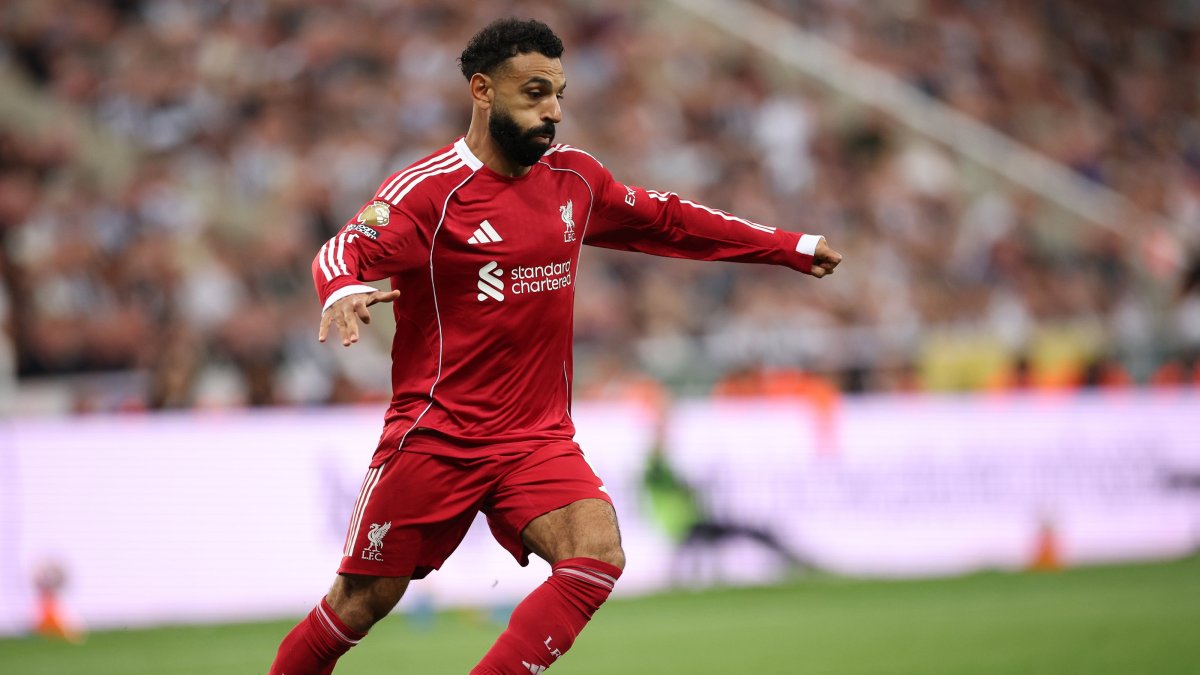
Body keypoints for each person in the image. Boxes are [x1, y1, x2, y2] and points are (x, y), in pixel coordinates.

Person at [268, 18, 842, 675]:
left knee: (597, 551)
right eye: (534, 92)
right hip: (437, 436)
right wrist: (339, 287)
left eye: (559, 93)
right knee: (360, 602)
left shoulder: (575, 179)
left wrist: (788, 247)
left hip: (536, 437)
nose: (554, 110)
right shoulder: (429, 191)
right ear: (482, 91)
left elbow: (669, 220)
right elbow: (346, 246)